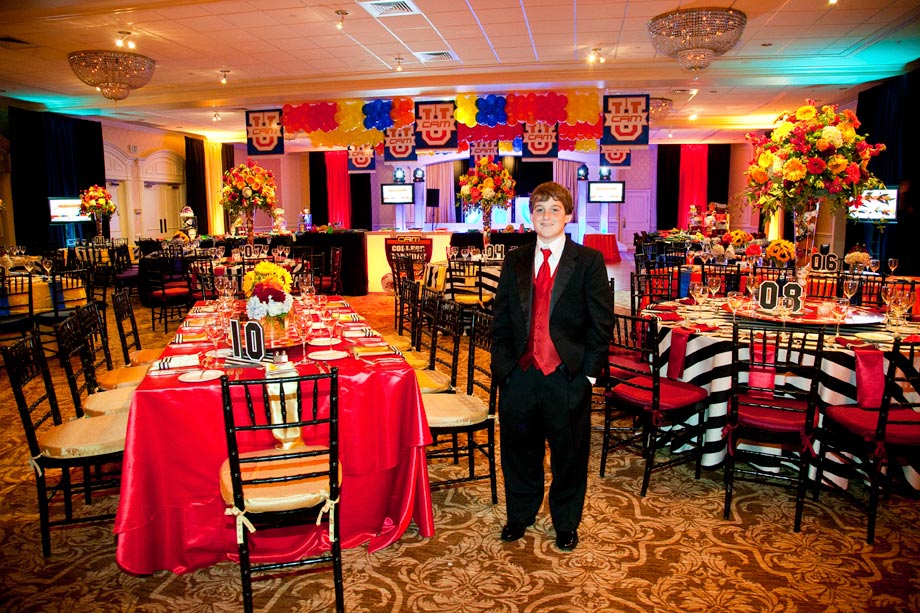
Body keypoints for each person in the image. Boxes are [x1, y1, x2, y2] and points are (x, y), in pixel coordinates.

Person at [490, 181, 613, 551]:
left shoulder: (588, 261)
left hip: (566, 377)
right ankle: (521, 514)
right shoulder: (515, 260)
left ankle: (565, 521)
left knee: (569, 455)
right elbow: (501, 320)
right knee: (518, 450)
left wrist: (588, 376)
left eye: (554, 209)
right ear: (531, 216)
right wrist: (504, 371)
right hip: (521, 375)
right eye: (540, 209)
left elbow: (601, 323)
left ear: (568, 216)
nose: (546, 216)